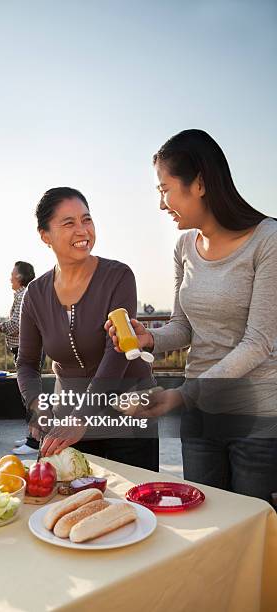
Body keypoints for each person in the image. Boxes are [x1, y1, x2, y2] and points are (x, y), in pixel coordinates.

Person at [106, 129, 277, 502]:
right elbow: (183, 326)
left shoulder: (268, 240)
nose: (162, 203)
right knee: (208, 521)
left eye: (164, 189)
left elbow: (258, 343)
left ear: (198, 183)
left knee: (254, 529)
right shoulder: (185, 245)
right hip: (200, 418)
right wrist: (149, 337)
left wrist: (183, 395)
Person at [16, 187, 159, 470]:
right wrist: (39, 408)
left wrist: (81, 418)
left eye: (87, 220)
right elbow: (27, 363)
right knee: (69, 500)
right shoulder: (35, 293)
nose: (82, 231)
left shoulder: (118, 276)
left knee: (135, 506)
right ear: (45, 236)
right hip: (67, 413)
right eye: (69, 223)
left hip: (127, 412)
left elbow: (117, 353)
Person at [0, 261, 39, 455]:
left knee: (31, 395)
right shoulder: (26, 294)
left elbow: (18, 324)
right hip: (26, 349)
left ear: (19, 277)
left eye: (12, 274)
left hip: (27, 350)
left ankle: (35, 442)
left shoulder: (23, 295)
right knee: (28, 395)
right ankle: (32, 436)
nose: (10, 277)